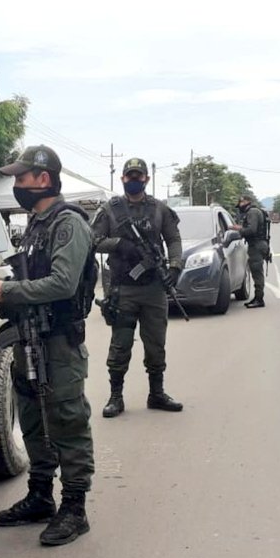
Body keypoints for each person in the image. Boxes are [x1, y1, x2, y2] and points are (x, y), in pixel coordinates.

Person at [0, 145, 95, 546]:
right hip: (28, 338)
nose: (16, 185)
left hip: (58, 342)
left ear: (43, 179)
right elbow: (32, 276)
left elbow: (63, 283)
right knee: (32, 418)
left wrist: (7, 290)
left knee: (67, 421)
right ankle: (40, 495)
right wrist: (0, 287)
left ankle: (74, 507)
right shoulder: (37, 225)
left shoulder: (68, 224)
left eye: (21, 178)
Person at [92, 157, 183, 418]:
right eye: (129, 176)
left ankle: (157, 393)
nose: (134, 180)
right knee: (120, 345)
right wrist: (119, 244)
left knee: (156, 344)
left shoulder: (159, 209)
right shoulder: (111, 210)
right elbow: (93, 240)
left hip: (154, 288)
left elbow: (173, 239)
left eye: (138, 176)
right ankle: (116, 397)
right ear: (122, 179)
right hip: (123, 288)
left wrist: (175, 267)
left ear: (146, 179)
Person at [230, 194, 269, 308]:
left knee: (257, 273)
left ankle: (259, 299)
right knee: (256, 272)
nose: (240, 206)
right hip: (258, 244)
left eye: (241, 203)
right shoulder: (254, 211)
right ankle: (257, 298)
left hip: (256, 245)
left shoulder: (252, 212)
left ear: (246, 201)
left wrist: (239, 230)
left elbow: (252, 230)